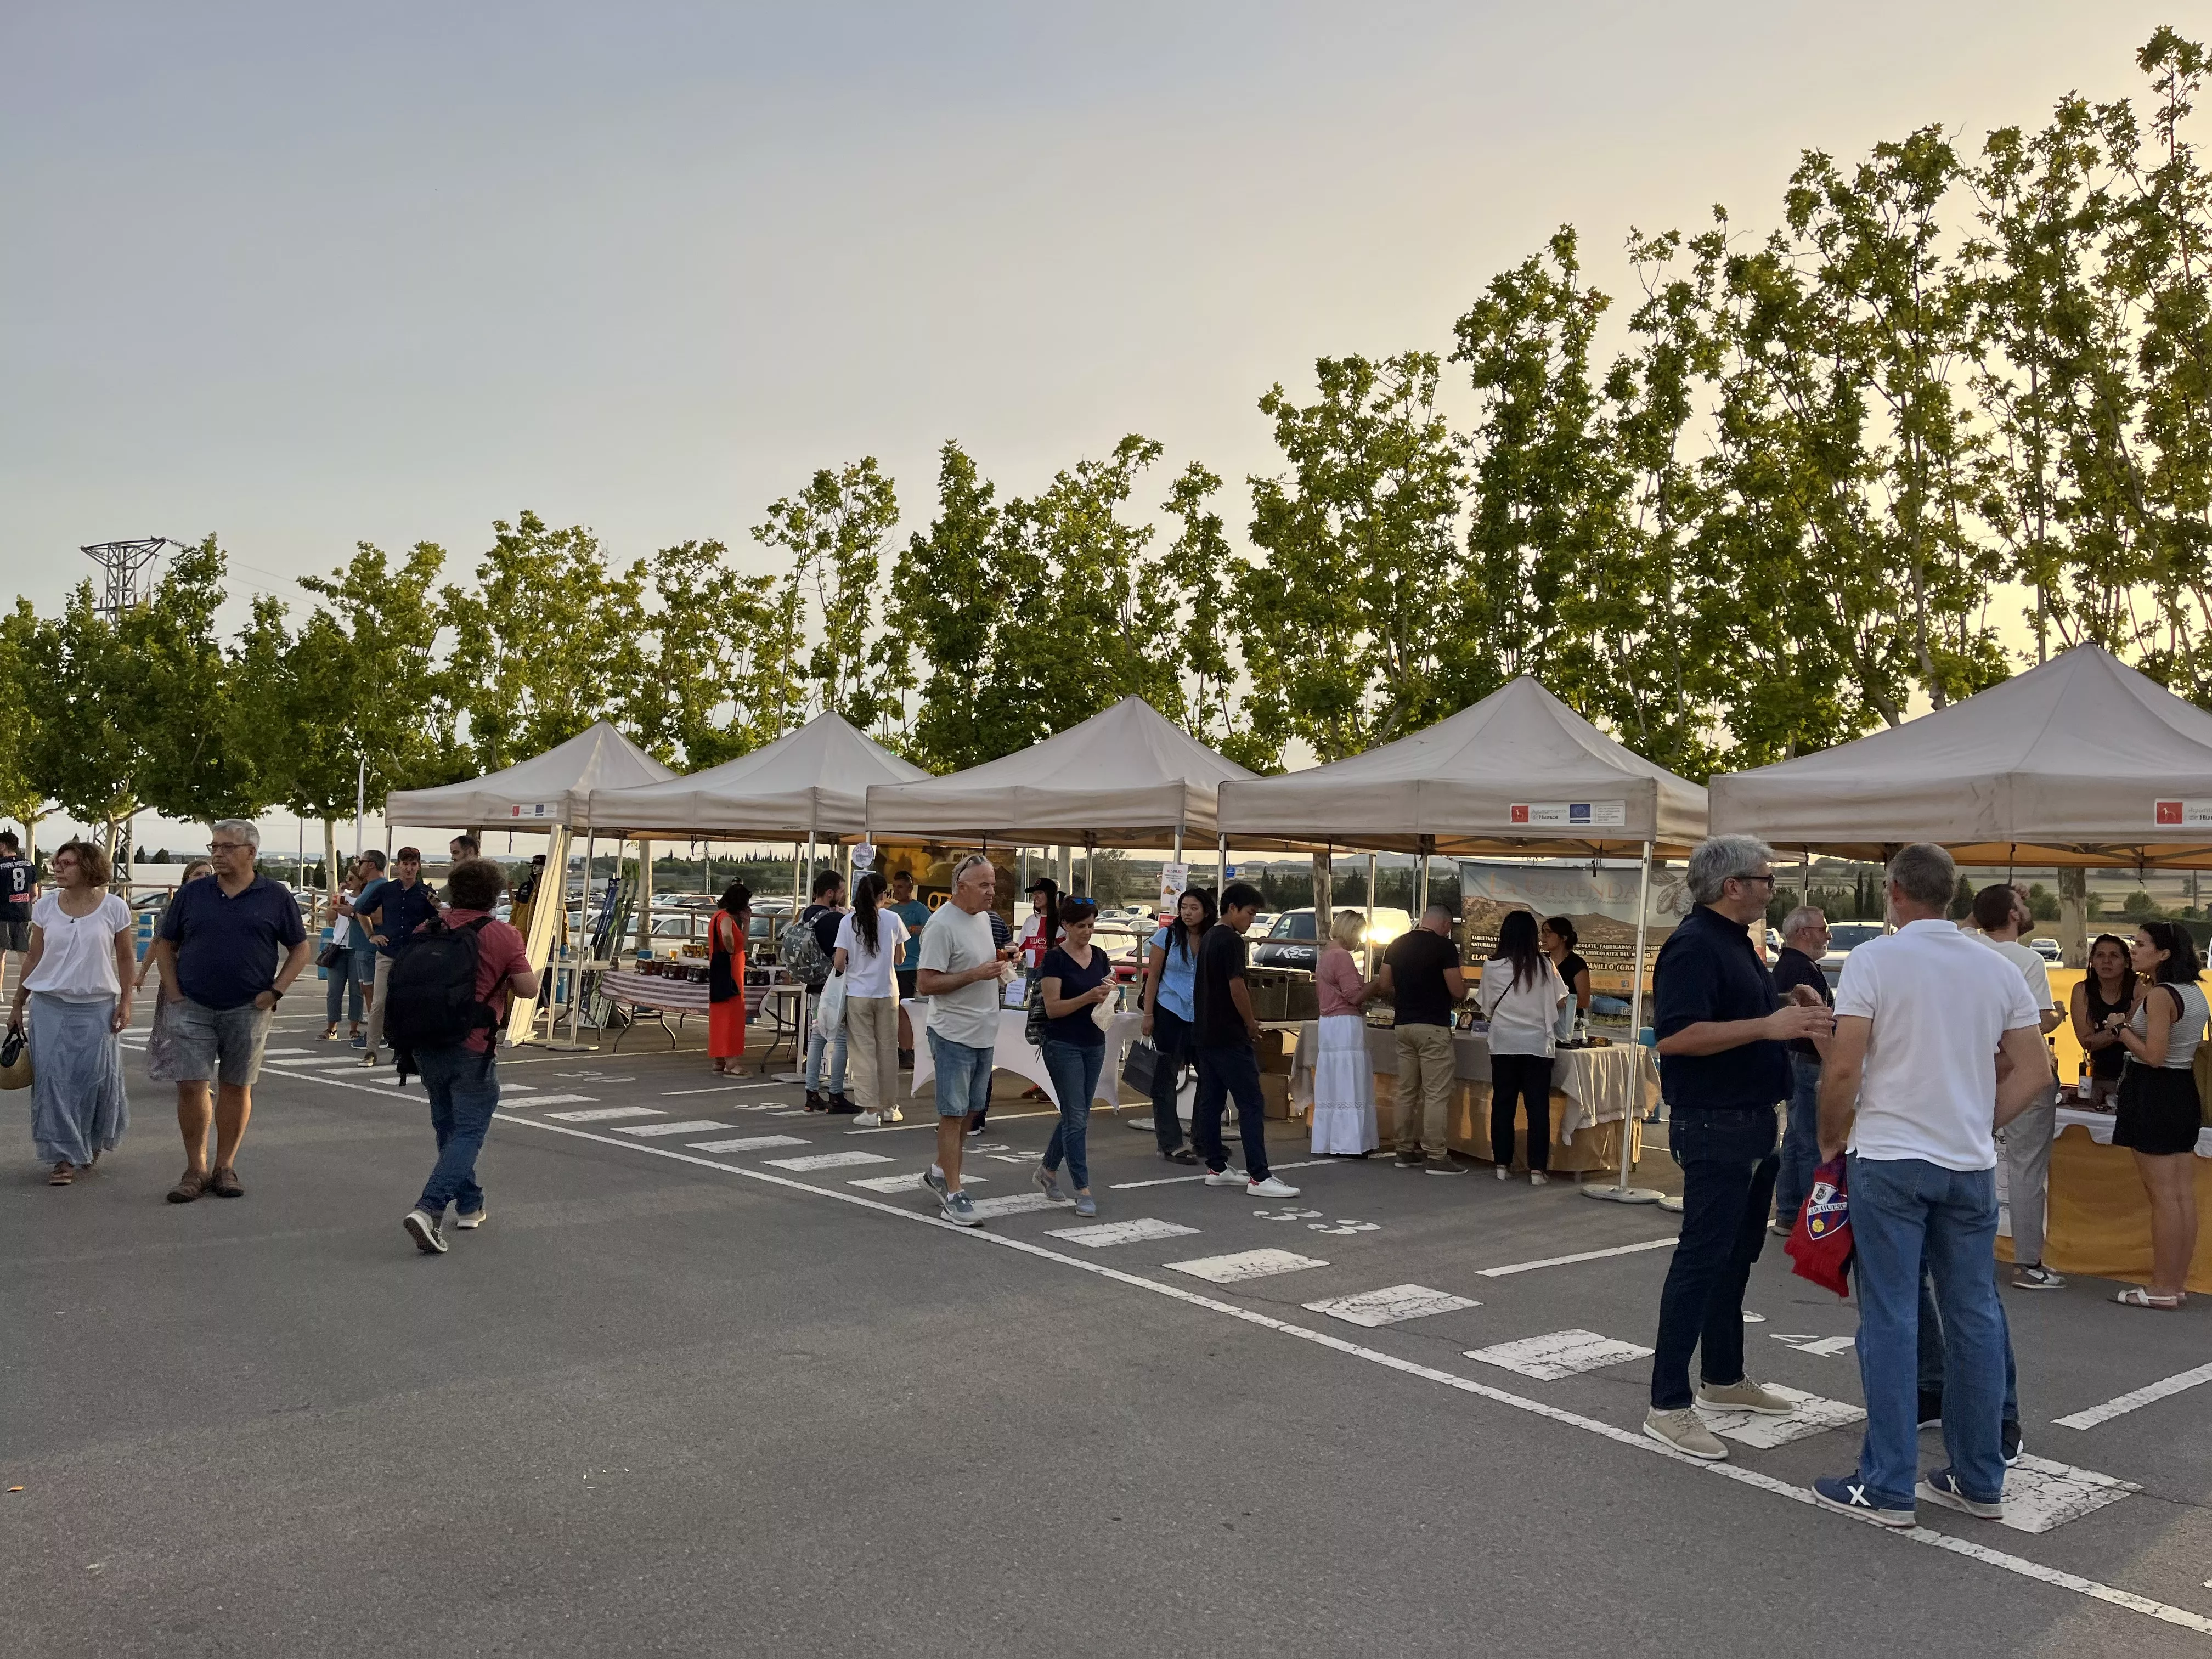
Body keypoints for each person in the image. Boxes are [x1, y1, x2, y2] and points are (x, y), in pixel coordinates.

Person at [1809, 843, 2047, 1527]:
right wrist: (1979, 1119)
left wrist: (1832, 1137)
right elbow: (2035, 1073)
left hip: (1889, 1156)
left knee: (1890, 1317)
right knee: (1974, 1315)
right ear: (1953, 893)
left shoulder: (1875, 960)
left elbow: (1847, 1066)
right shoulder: (1994, 966)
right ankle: (1979, 1478)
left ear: (1893, 892)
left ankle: (1885, 1484)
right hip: (1967, 1162)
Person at [1641, 835, 1831, 1463]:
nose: (1772, 889)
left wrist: (1783, 1002)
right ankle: (1668, 1403)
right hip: (1716, 1123)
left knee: (1735, 1257)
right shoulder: (1693, 945)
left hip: (1753, 1120)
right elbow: (1675, 1036)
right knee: (1702, 1257)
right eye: (1767, 880)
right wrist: (1769, 1025)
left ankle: (1722, 1377)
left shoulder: (1736, 944)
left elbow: (1732, 1015)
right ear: (1733, 886)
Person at [150, 819, 311, 1203]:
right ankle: (196, 1169)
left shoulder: (274, 895)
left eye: (226, 847)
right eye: (214, 847)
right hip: (192, 1005)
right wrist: (173, 992)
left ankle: (225, 1166)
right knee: (191, 1085)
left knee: (237, 1086)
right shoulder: (193, 895)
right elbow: (165, 943)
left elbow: (300, 948)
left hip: (248, 1008)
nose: (217, 854)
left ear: (251, 853)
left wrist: (275, 991)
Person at [400, 858, 538, 1254]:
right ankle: (429, 1209)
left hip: (425, 1043)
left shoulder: (426, 928)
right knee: (470, 1130)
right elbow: (527, 990)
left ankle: (471, 1203)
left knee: (447, 1126)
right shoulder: (503, 935)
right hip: (473, 1045)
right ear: (494, 894)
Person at [8, 839, 134, 1184]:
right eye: (57, 863)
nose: (58, 868)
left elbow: (125, 957)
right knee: (52, 1082)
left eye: (67, 864)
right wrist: (18, 1003)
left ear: (89, 867)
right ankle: (62, 1157)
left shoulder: (114, 908)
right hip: (50, 1007)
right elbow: (34, 957)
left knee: (94, 1081)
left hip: (97, 1008)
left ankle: (89, 1142)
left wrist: (126, 1001)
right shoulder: (46, 907)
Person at [1970, 883, 2067, 1291]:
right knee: (2026, 1165)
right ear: (2013, 915)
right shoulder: (2027, 960)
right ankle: (2028, 1263)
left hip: (1973, 1068)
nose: (2026, 908)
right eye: (2021, 904)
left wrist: (1992, 900)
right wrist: (2057, 1019)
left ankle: (1968, 1253)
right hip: (2016, 1066)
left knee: (1972, 1158)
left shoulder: (1965, 947)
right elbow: (2035, 1022)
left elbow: (1966, 923)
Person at [2107, 918, 2208, 1310]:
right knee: (2181, 1195)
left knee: (2165, 1197)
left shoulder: (2162, 995)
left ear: (2164, 954)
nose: (2135, 948)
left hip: (2157, 1090)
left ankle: (2163, 1287)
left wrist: (2121, 1029)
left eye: (2142, 944)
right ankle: (2175, 1282)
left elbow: (2154, 1055)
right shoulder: (2194, 993)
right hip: (2181, 1091)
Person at [916, 854, 1011, 1226]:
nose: (992, 892)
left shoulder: (985, 919)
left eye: (993, 884)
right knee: (953, 1114)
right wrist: (976, 974)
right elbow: (926, 983)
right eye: (984, 885)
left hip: (984, 1029)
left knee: (972, 1112)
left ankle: (940, 1170)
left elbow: (983, 966)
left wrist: (1002, 962)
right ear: (962, 887)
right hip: (953, 1032)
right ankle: (953, 1192)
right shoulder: (941, 926)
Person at [1191, 882, 1301, 1198]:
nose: (1252, 920)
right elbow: (1236, 985)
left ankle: (1217, 1166)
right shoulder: (1231, 941)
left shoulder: (1210, 936)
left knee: (1211, 1100)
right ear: (1233, 908)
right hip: (1228, 1033)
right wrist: (1250, 1023)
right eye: (1250, 913)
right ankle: (1259, 1176)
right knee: (1252, 1102)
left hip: (1206, 1031)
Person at [1035, 895, 1114, 1216]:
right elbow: (1053, 1009)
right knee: (1077, 1115)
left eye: (1092, 925)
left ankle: (1048, 1170)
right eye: (1081, 926)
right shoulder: (1054, 959)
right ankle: (1083, 1188)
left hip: (1094, 1040)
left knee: (1075, 1113)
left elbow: (1106, 990)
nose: (1087, 932)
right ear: (1065, 926)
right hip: (1062, 1042)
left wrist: (1108, 996)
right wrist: (1088, 997)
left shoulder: (1100, 955)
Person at [1477, 909, 1568, 1185]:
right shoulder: (1545, 965)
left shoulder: (1491, 966)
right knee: (1537, 1107)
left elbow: (1485, 1005)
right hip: (1538, 1045)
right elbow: (1562, 1000)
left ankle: (1502, 1164)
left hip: (1504, 1042)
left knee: (1503, 1103)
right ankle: (1537, 1170)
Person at [1377, 903, 1466, 1174]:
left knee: (1407, 1090)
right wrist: (1462, 989)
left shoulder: (1396, 944)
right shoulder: (1444, 948)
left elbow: (1383, 984)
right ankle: (1437, 1156)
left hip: (1403, 1024)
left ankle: (1403, 1150)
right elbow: (1457, 990)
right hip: (1433, 1026)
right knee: (1436, 1094)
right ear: (1445, 924)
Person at [1768, 905, 1834, 1235]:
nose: (1829, 935)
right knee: (1810, 1141)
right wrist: (1834, 1059)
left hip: (1795, 1060)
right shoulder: (1800, 970)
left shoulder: (1795, 966)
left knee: (1795, 1138)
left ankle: (1790, 1213)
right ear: (1803, 932)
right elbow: (1815, 1023)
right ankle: (1813, 1222)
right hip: (1806, 1061)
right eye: (1824, 928)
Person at [1142, 888, 1214, 1164]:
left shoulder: (1212, 938)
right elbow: (1153, 976)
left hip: (1203, 1016)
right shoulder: (1168, 936)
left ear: (1206, 911)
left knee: (1210, 1076)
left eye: (1194, 907)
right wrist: (1148, 1014)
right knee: (1166, 1078)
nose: (1187, 912)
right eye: (1184, 907)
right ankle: (1171, 1143)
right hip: (1169, 1012)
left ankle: (1203, 1138)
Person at [834, 871, 910, 1128]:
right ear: (884, 895)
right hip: (888, 992)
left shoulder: (848, 922)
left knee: (863, 1053)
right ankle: (890, 1107)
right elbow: (900, 958)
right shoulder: (893, 919)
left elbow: (839, 962)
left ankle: (869, 1110)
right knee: (888, 1050)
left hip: (858, 994)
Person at [358, 847, 438, 1065]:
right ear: (398, 866)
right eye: (405, 864)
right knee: (379, 1003)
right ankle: (371, 1050)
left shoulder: (425, 893)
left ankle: (404, 1050)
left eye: (414, 864)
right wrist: (371, 936)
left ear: (419, 867)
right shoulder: (386, 890)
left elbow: (437, 920)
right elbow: (361, 910)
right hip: (387, 953)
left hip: (414, 956)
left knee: (409, 1004)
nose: (409, 868)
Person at [1310, 909, 1379, 1156]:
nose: (1360, 940)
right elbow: (1354, 995)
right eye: (1359, 933)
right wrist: (1377, 984)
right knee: (1350, 1081)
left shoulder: (1326, 954)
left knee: (1334, 1082)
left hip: (1329, 1023)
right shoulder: (1342, 957)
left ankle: (1331, 1139)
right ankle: (1350, 1142)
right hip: (1345, 1024)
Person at [799, 869, 854, 1114]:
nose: (843, 897)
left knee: (818, 1037)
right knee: (841, 1040)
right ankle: (836, 1094)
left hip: (814, 985)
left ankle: (812, 1093)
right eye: (841, 892)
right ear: (830, 892)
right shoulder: (834, 921)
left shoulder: (804, 915)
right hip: (834, 987)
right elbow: (843, 957)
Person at [2070, 933, 2138, 1110]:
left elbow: (2145, 1035)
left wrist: (2109, 1032)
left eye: (2114, 956)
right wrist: (2121, 1029)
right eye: (2100, 955)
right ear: (2092, 960)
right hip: (2098, 1079)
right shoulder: (2082, 991)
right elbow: (2087, 1042)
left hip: (2138, 1078)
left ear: (2126, 962)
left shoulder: (2141, 988)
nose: (2106, 961)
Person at [340, 851, 388, 1048]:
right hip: (361, 946)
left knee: (373, 993)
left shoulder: (381, 887)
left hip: (370, 949)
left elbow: (380, 916)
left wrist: (353, 913)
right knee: (366, 990)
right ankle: (376, 1032)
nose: (358, 866)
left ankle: (379, 1034)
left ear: (371, 865)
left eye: (361, 862)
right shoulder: (371, 887)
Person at [888, 867, 930, 1068]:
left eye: (901, 887)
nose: (896, 891)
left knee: (905, 1010)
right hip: (891, 968)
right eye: (894, 887)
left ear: (910, 888)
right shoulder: (891, 910)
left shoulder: (919, 909)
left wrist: (912, 930)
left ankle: (908, 1050)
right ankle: (897, 1047)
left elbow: (931, 929)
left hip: (911, 965)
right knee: (893, 1010)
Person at [708, 881, 752, 1075]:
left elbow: (742, 940)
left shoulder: (718, 916)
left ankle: (719, 1058)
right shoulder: (726, 918)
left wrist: (747, 923)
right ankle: (731, 1061)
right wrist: (732, 950)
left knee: (719, 1015)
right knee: (732, 1016)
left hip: (721, 971)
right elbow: (727, 936)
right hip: (731, 971)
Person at [319, 871, 367, 1042]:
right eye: (347, 878)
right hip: (338, 947)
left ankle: (354, 1028)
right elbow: (330, 918)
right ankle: (332, 1028)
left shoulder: (366, 898)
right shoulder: (343, 898)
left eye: (352, 878)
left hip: (356, 947)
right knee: (334, 991)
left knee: (356, 990)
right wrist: (339, 895)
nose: (348, 881)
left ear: (362, 880)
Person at [0, 828, 37, 1002]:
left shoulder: (0, 866)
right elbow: (34, 893)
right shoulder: (29, 864)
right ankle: (31, 991)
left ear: (3, 845)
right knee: (25, 956)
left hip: (3, 915)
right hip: (24, 914)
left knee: (1, 956)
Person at [1540, 916, 1592, 1026]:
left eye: (1548, 932)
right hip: (1541, 1022)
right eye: (1542, 932)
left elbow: (1584, 1001)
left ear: (1563, 938)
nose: (1543, 937)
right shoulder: (1541, 961)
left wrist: (1560, 1002)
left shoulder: (1577, 965)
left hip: (1568, 1025)